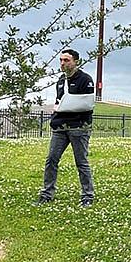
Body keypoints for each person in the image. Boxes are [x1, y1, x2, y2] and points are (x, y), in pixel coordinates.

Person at [37, 48, 96, 207]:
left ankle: (87, 196)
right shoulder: (61, 81)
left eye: (66, 60)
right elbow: (59, 102)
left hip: (79, 127)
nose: (63, 63)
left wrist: (64, 107)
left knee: (81, 162)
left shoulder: (85, 79)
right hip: (60, 127)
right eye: (61, 60)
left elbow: (87, 104)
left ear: (75, 61)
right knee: (51, 160)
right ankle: (47, 194)